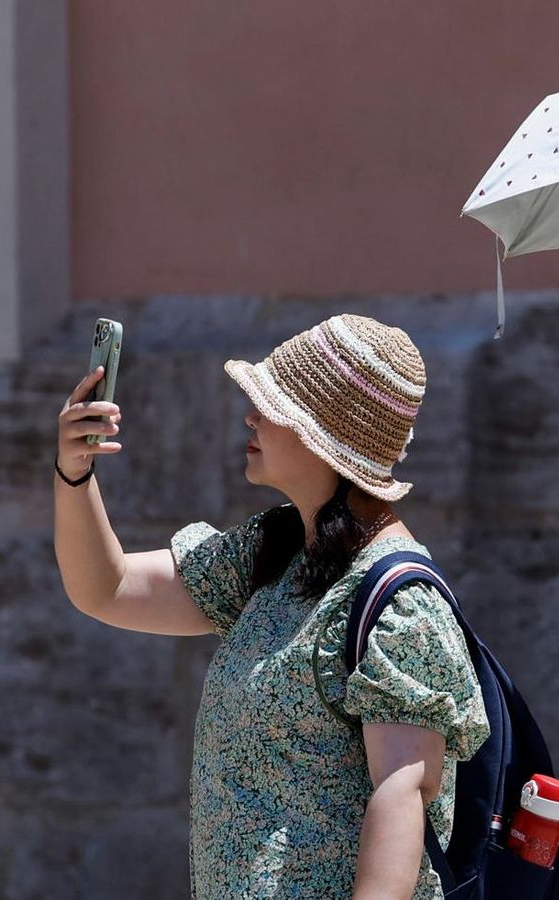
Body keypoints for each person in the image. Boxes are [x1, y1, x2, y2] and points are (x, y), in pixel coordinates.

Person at [53, 314, 489, 900]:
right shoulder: (279, 551)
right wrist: (75, 473)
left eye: (272, 405)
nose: (250, 415)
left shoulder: (398, 603)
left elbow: (405, 792)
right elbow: (106, 589)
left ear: (323, 436)